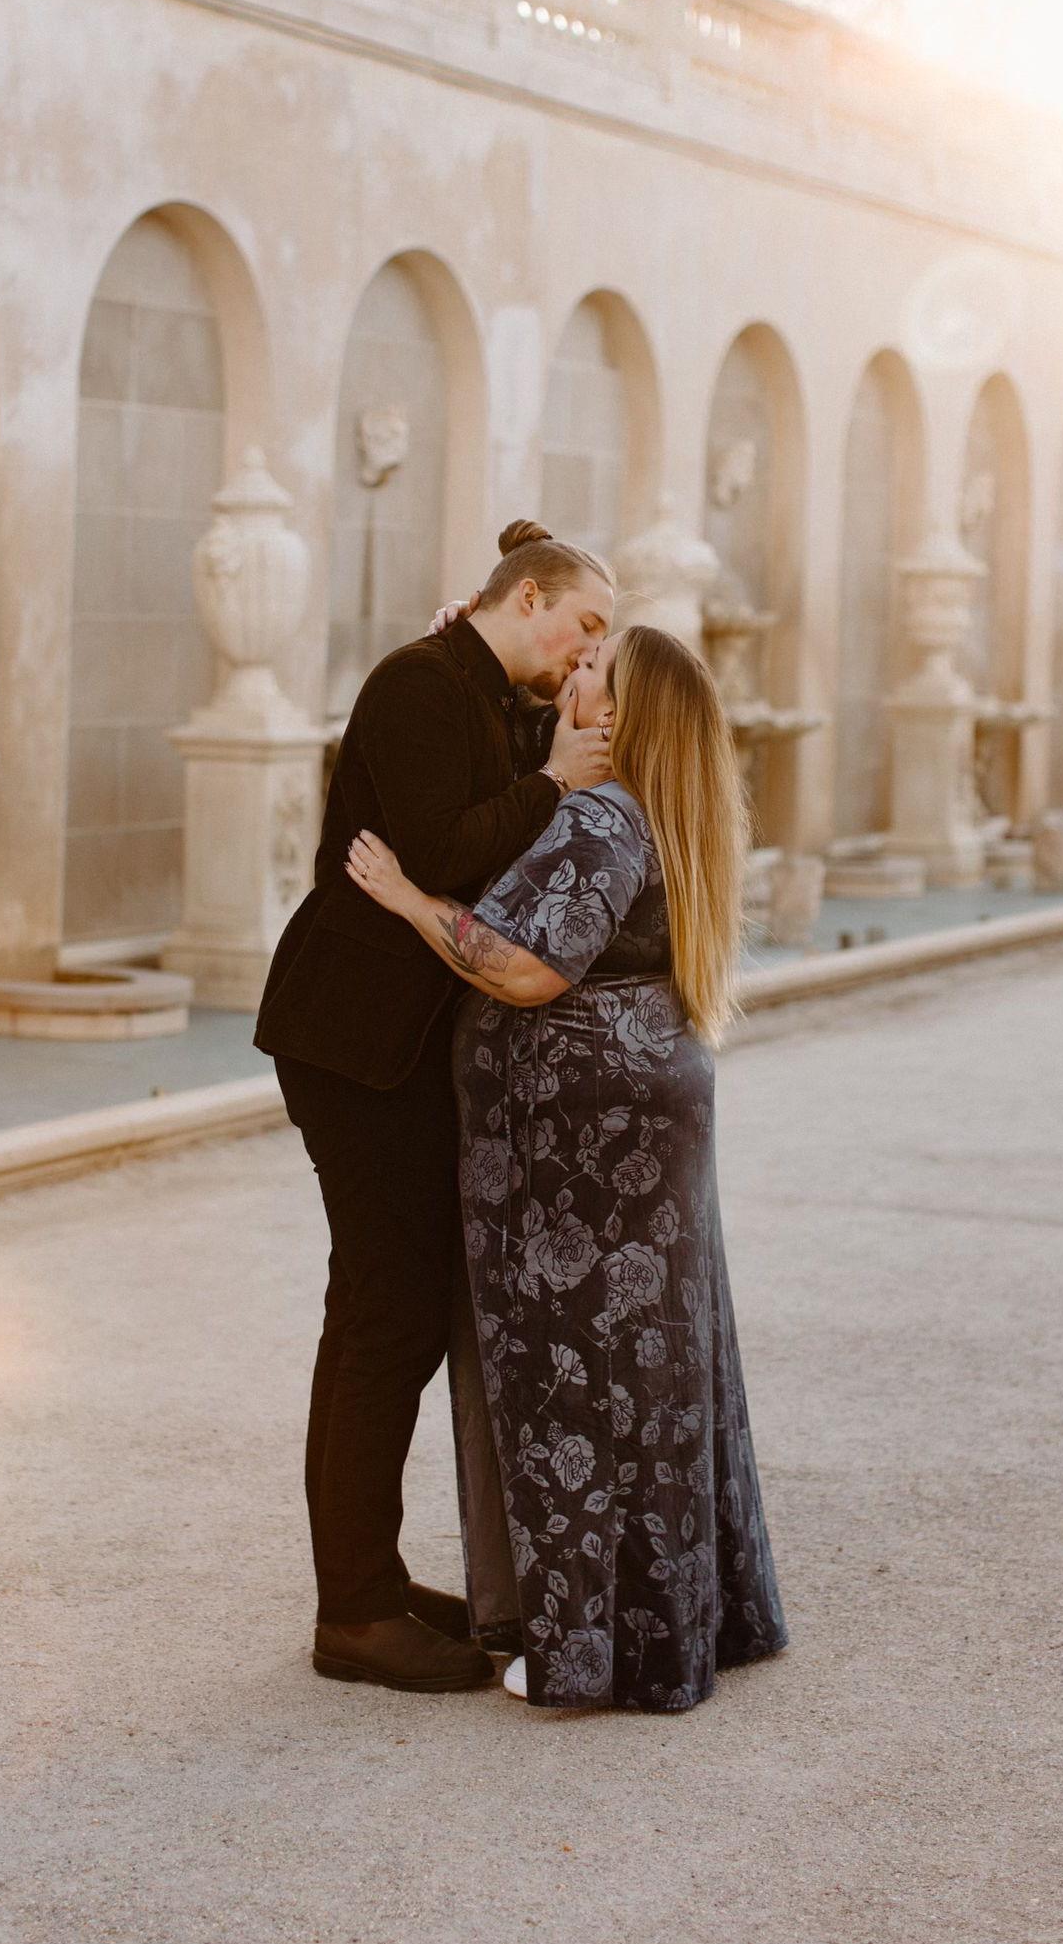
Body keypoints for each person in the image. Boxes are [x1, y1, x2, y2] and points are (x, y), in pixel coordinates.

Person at [345, 620, 789, 1712]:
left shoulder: (597, 815)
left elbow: (530, 968)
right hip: (645, 1107)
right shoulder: (667, 807)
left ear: (620, 713)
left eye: (590, 670)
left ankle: (593, 1644)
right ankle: (685, 1616)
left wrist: (406, 897)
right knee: (657, 1356)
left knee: (575, 1375)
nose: (570, 676)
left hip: (578, 1144)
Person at [255, 520, 616, 1693]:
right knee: (390, 1314)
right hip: (354, 1042)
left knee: (374, 1308)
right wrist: (556, 782)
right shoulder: (418, 682)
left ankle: (362, 1576)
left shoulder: (474, 685)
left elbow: (489, 807)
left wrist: (548, 756)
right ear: (528, 601)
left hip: (392, 1046)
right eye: (586, 625)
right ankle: (354, 1612)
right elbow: (441, 851)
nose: (587, 653)